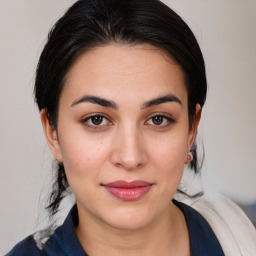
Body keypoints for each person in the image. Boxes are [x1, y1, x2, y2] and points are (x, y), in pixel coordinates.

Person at [6, 0, 256, 255]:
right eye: (96, 119)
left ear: (191, 129)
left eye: (158, 119)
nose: (130, 157)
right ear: (53, 133)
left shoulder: (241, 234)